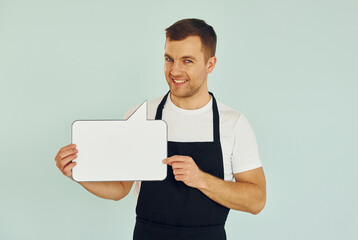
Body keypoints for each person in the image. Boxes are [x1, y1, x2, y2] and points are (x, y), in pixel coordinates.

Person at [55, 18, 266, 240]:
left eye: (187, 61)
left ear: (210, 64)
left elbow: (257, 200)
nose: (175, 70)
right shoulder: (141, 115)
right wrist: (79, 173)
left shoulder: (233, 124)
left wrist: (201, 179)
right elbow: (120, 188)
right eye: (169, 59)